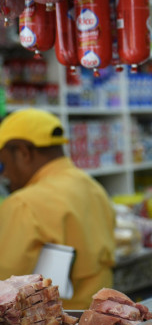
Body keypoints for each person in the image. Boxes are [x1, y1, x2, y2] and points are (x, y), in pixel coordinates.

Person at [0, 108, 115, 309]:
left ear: (23, 152)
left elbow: (4, 283)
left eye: (2, 165)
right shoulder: (92, 186)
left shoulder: (22, 203)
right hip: (102, 316)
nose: (5, 175)